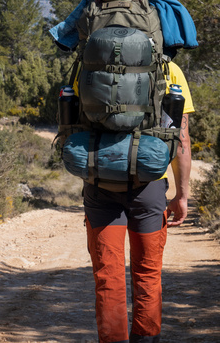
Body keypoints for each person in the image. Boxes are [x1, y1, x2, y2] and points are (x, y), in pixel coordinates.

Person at [84, 60, 194, 343]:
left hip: (100, 185)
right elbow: (180, 137)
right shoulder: (170, 70)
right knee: (147, 274)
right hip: (149, 188)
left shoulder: (89, 63)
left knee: (108, 277)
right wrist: (182, 194)